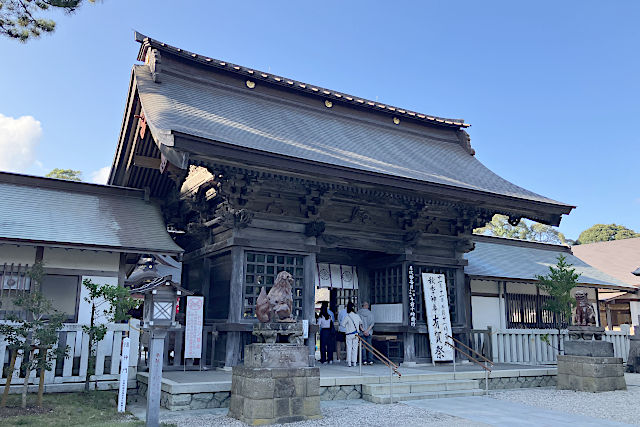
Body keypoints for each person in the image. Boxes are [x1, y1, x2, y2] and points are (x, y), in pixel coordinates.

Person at [340, 301, 362, 367]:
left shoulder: (347, 317)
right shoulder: (357, 316)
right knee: (355, 348)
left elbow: (342, 325)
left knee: (349, 348)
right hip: (356, 334)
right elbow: (360, 323)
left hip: (349, 334)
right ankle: (354, 362)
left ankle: (349, 362)